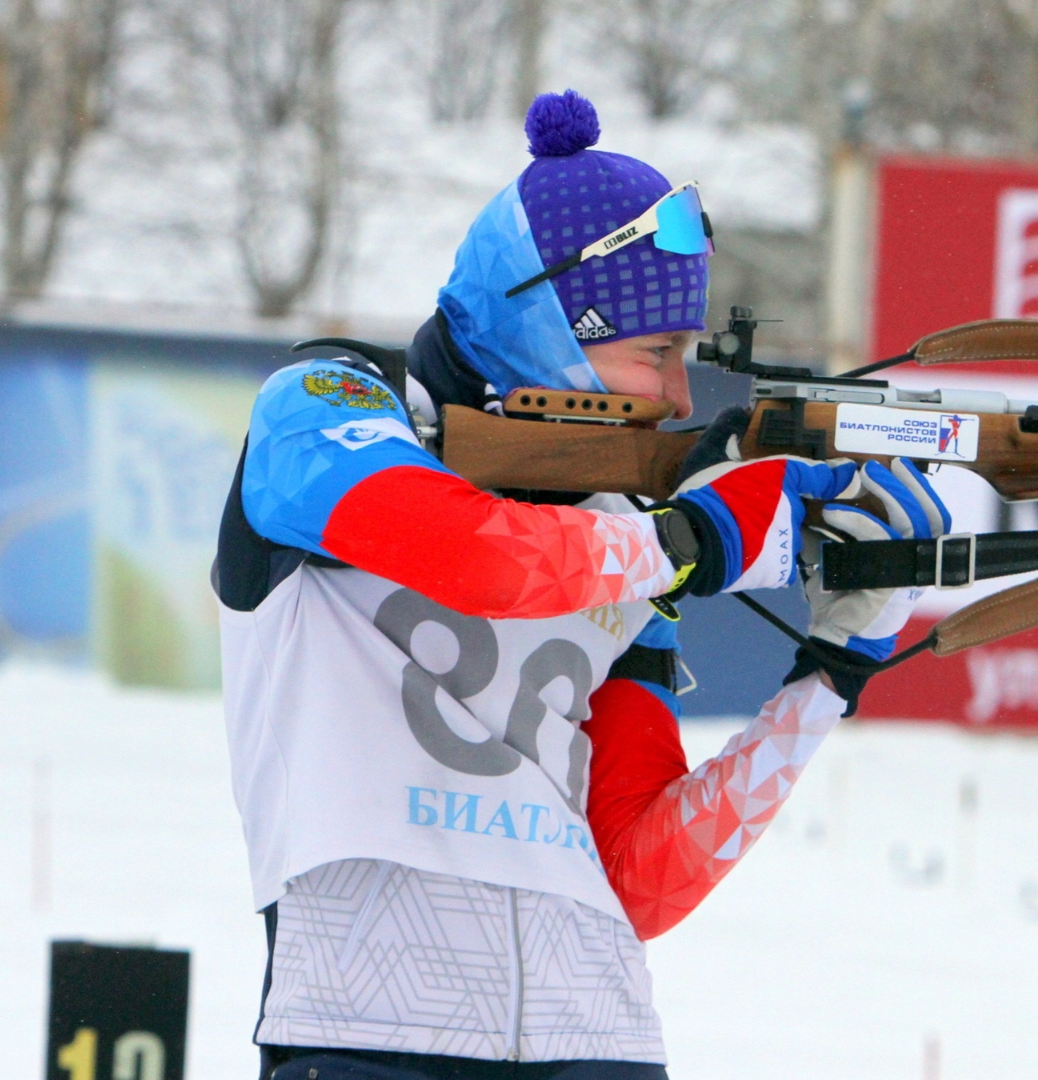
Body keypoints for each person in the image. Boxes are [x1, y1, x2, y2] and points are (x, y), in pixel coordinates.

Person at [213, 90, 950, 1080]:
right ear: (549, 326)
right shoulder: (328, 405)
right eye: (657, 353)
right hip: (367, 1025)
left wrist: (828, 674)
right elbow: (472, 556)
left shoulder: (613, 521)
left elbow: (635, 882)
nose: (682, 395)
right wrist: (683, 540)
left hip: (598, 1033)